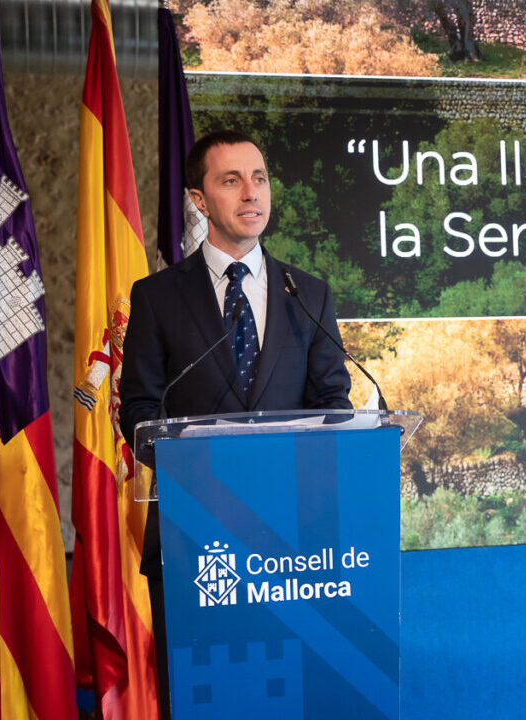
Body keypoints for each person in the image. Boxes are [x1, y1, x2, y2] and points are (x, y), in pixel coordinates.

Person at [117, 129, 352, 718]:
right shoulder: (157, 298)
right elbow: (140, 411)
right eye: (231, 180)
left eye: (260, 178)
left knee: (295, 693)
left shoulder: (309, 294)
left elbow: (334, 399)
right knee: (205, 698)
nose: (252, 193)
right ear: (199, 200)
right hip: (195, 539)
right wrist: (201, 466)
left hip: (297, 549)